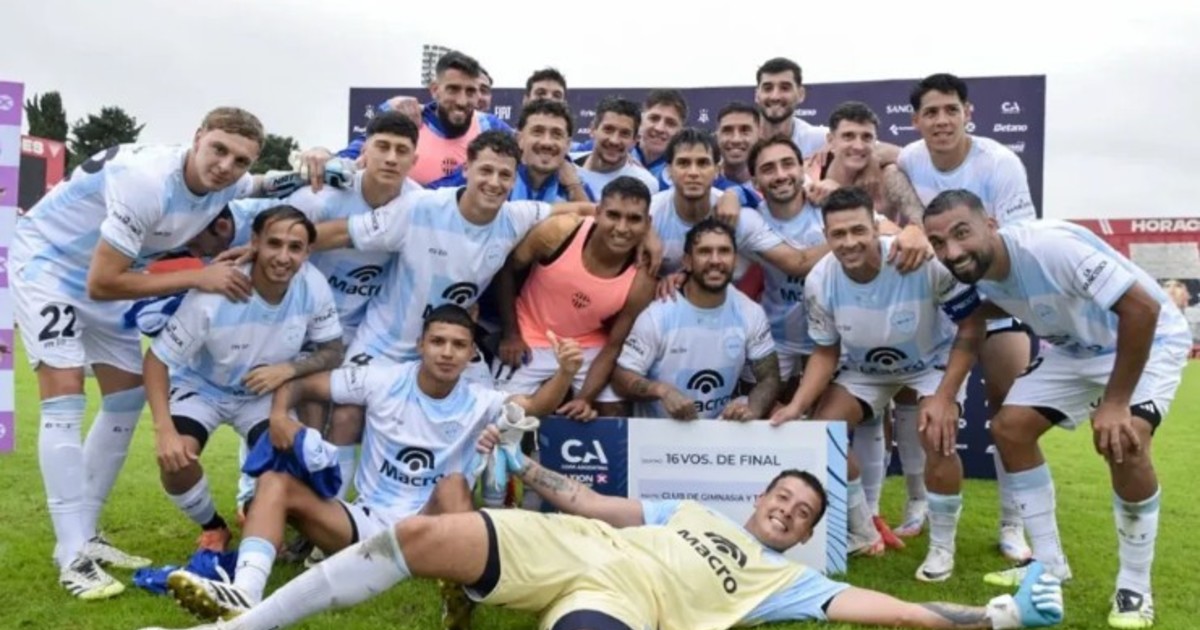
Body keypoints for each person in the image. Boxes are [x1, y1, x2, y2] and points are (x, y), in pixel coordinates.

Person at [137, 432, 1065, 630]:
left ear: (801, 534)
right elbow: (583, 505)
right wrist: (526, 463)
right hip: (567, 544)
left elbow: (882, 609)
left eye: (803, 513)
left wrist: (995, 619)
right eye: (783, 497)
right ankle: (247, 626)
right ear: (759, 498)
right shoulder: (689, 510)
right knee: (418, 537)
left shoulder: (788, 581)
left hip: (624, 601)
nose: (788, 509)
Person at [161, 304, 586, 626]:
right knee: (275, 481)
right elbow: (301, 386)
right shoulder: (383, 379)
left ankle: (458, 590)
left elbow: (534, 405)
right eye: (438, 342)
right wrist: (278, 418)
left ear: (470, 352)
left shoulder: (480, 399)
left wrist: (565, 373)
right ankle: (244, 593)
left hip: (434, 528)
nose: (447, 352)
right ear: (421, 345)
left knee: (455, 484)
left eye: (458, 345)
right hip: (366, 524)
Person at [10, 106, 283, 599]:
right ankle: (71, 554)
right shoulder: (147, 182)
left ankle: (87, 532)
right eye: (218, 150)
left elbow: (264, 183)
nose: (226, 166)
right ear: (196, 137)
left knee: (125, 397)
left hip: (107, 277)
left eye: (240, 160)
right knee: (65, 392)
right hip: (51, 264)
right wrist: (199, 276)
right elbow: (103, 281)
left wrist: (320, 163)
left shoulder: (230, 182)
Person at [923, 190, 1191, 629]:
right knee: (1010, 429)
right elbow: (973, 324)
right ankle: (1048, 568)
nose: (951, 251)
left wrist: (1116, 402)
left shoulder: (1049, 247)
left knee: (1125, 441)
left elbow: (1142, 308)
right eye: (938, 242)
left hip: (1148, 337)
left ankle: (1134, 586)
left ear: (990, 225)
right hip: (1075, 349)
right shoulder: (964, 272)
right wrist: (943, 394)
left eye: (961, 233)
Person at [769, 186, 986, 576]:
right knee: (824, 435)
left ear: (876, 228)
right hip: (865, 371)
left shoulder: (918, 260)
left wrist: (946, 395)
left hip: (930, 364)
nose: (849, 242)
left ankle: (942, 548)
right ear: (826, 236)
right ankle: (864, 532)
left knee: (937, 435)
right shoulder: (820, 279)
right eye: (838, 234)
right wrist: (797, 406)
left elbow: (972, 326)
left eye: (858, 230)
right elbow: (825, 352)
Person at [144, 206, 344, 552]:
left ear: (307, 252)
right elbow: (156, 360)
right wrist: (164, 430)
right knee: (177, 461)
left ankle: (256, 510)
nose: (283, 257)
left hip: (260, 395)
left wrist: (288, 369)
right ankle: (213, 526)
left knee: (289, 466)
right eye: (274, 243)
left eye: (295, 247)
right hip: (202, 388)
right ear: (255, 243)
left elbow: (333, 351)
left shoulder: (312, 285)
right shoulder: (216, 293)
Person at [898, 73, 1038, 563]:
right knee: (915, 403)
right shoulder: (909, 157)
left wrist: (983, 300)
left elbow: (1017, 245)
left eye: (950, 110)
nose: (941, 120)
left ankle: (1013, 523)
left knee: (1008, 411)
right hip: (938, 308)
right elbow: (881, 161)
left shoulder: (999, 163)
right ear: (915, 121)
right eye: (931, 112)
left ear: (967, 113)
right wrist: (911, 222)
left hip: (997, 298)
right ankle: (917, 503)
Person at [493, 176, 657, 419]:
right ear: (597, 213)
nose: (622, 228)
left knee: (612, 413)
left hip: (587, 344)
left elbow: (614, 345)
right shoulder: (561, 231)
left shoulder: (643, 277)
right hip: (529, 333)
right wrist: (511, 334)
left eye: (634, 219)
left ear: (647, 224)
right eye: (613, 215)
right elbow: (506, 269)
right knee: (504, 415)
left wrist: (585, 399)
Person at [611, 219, 781, 421]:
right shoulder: (657, 316)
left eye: (724, 251)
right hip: (659, 434)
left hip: (720, 432)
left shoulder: (750, 312)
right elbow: (620, 378)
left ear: (735, 260)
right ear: (687, 262)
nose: (715, 260)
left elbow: (769, 377)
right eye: (704, 251)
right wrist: (661, 391)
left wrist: (753, 409)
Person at [573, 97, 660, 195]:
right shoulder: (565, 164)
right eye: (608, 129)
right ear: (592, 129)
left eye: (625, 133)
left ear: (635, 140)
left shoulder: (645, 182)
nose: (614, 141)